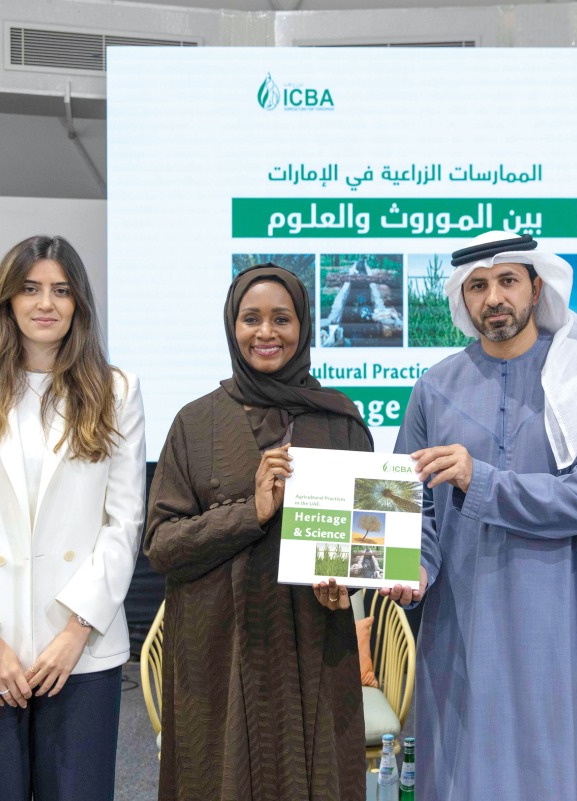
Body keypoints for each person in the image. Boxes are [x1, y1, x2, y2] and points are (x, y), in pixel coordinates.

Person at [382, 231, 577, 800]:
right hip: (466, 617)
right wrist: (413, 567)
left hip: (562, 615)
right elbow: (410, 505)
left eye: (508, 281)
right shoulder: (434, 387)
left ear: (536, 288)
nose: (493, 297)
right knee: (470, 768)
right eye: (477, 286)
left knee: (558, 767)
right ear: (463, 299)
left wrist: (483, 479)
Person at [0, 235, 146, 801]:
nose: (46, 303)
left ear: (79, 304)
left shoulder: (116, 391)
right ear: (8, 299)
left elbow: (123, 524)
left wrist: (75, 633)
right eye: (30, 289)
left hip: (80, 650)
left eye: (61, 290)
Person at [144, 264, 373, 801]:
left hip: (315, 645)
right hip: (218, 649)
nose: (266, 332)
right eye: (251, 319)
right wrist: (253, 512)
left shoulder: (341, 422)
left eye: (281, 319)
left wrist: (345, 585)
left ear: (303, 326)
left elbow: (365, 544)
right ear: (232, 326)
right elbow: (161, 546)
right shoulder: (195, 424)